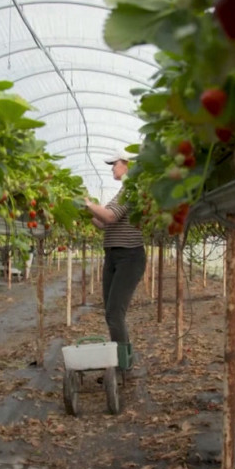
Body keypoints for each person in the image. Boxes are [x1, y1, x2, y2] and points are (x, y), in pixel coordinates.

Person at [83, 150, 147, 350]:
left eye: (115, 163)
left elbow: (110, 217)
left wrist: (88, 203)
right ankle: (122, 359)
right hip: (113, 256)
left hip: (129, 256)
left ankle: (122, 364)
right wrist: (84, 212)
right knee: (111, 312)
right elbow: (104, 223)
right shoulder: (122, 191)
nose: (112, 167)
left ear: (127, 164)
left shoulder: (131, 189)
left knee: (114, 313)